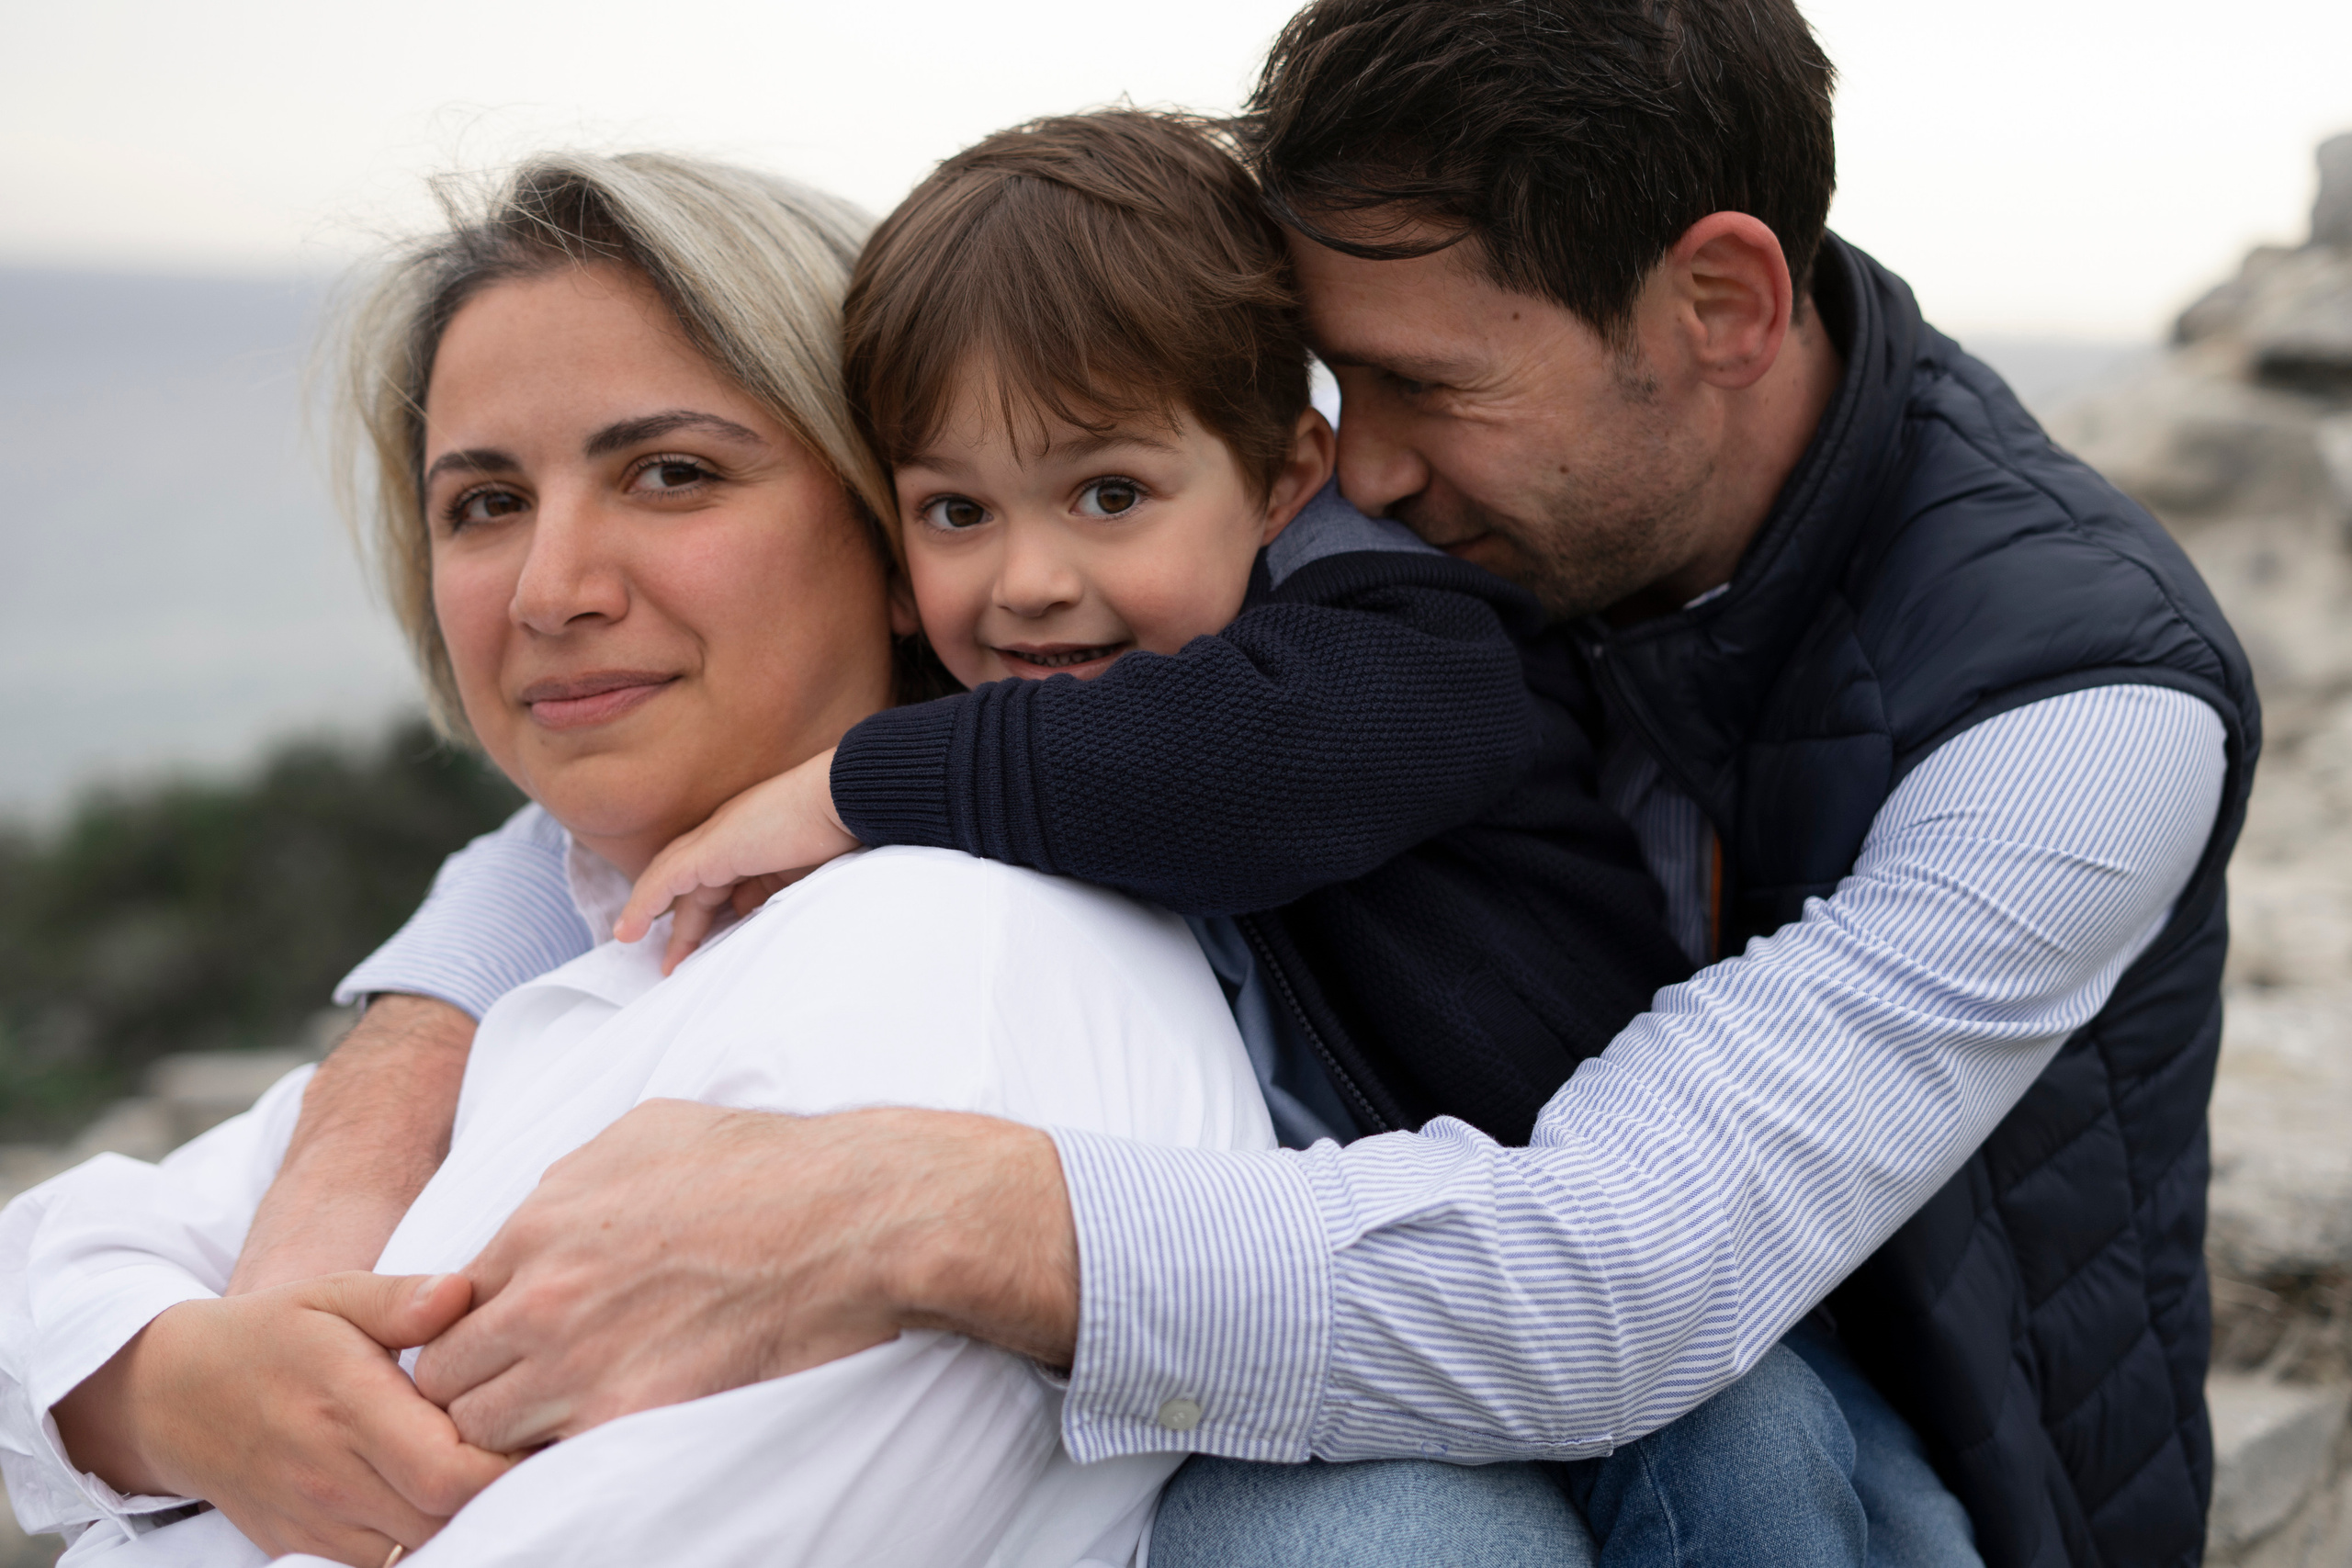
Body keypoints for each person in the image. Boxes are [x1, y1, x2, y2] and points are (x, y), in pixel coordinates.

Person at [175, 5, 2256, 1568]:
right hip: (1375, 1316)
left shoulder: (2072, 711)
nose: (1352, 473)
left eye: (1422, 392)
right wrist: (409, 1054)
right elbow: (642, 778)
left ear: (1715, 302)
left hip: (1848, 1415)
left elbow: (1624, 1277)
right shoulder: (1302, 543)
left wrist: (906, 1184)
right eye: (1333, 395)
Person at [0, 151, 1275, 1568]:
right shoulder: (593, 953)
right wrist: (166, 1391)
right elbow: (46, 1263)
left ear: (901, 521)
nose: (553, 591)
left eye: (671, 475)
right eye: (484, 502)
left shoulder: (953, 963)